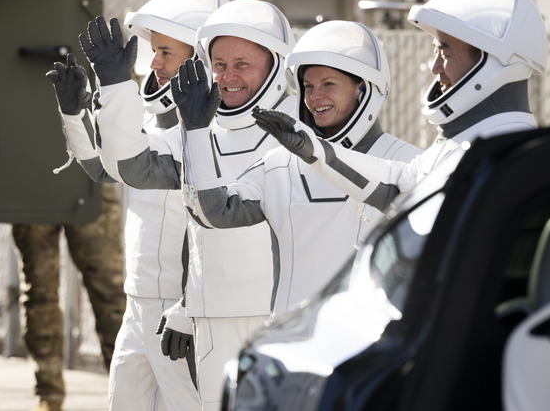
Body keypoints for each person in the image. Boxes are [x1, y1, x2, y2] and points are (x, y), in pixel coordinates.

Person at [79, 0, 296, 411]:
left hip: (269, 320)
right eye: (220, 63)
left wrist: (184, 307)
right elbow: (128, 165)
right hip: (204, 317)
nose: (228, 76)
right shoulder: (197, 130)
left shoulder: (301, 135)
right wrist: (115, 84)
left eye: (243, 64)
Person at [47, 0, 228, 410]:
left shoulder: (211, 135)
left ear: (199, 59)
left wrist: (188, 308)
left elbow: (134, 166)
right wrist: (74, 113)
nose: (154, 64)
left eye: (166, 52)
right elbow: (105, 169)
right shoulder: (152, 118)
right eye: (154, 51)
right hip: (139, 301)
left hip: (182, 312)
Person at [173, 20, 421, 316]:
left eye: (328, 84)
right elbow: (212, 213)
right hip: (293, 343)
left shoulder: (407, 163)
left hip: (369, 344)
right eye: (308, 86)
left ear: (362, 89)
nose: (315, 97)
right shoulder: (279, 164)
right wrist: (196, 132)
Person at [253, 0, 548, 213]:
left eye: (444, 51)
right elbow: (400, 183)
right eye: (435, 51)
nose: (435, 67)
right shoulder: (474, 141)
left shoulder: (499, 152)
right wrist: (314, 149)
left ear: (490, 61)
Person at [12, 185, 125, 411]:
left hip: (89, 180)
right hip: (33, 185)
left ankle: (125, 390)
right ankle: (49, 395)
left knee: (110, 293)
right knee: (39, 295)